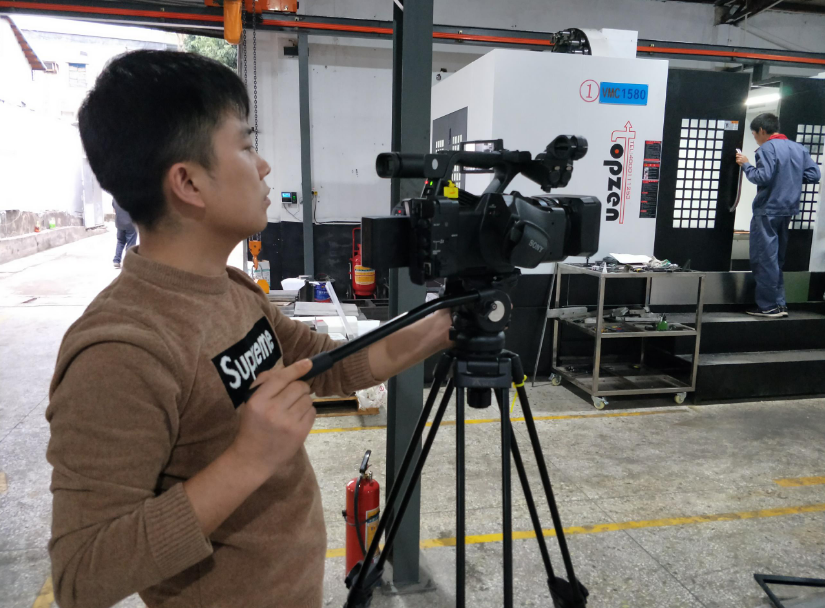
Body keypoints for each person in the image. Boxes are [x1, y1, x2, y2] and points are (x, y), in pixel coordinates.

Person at [46, 50, 453, 608]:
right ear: (188, 182)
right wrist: (249, 459)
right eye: (245, 145)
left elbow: (330, 365)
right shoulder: (121, 349)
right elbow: (82, 575)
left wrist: (445, 325)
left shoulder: (231, 288)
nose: (263, 166)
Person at [736, 113, 821, 318]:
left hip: (768, 209)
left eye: (755, 135)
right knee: (776, 259)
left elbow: (762, 177)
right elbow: (814, 174)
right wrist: (790, 176)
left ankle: (768, 306)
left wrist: (746, 164)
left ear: (762, 131)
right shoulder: (798, 148)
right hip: (788, 209)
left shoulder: (767, 148)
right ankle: (779, 304)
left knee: (764, 258)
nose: (756, 139)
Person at [112, 199, 137, 268]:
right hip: (130, 224)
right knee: (130, 244)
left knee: (120, 241)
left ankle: (116, 260)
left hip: (119, 224)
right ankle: (129, 262)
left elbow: (114, 209)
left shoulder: (115, 197)